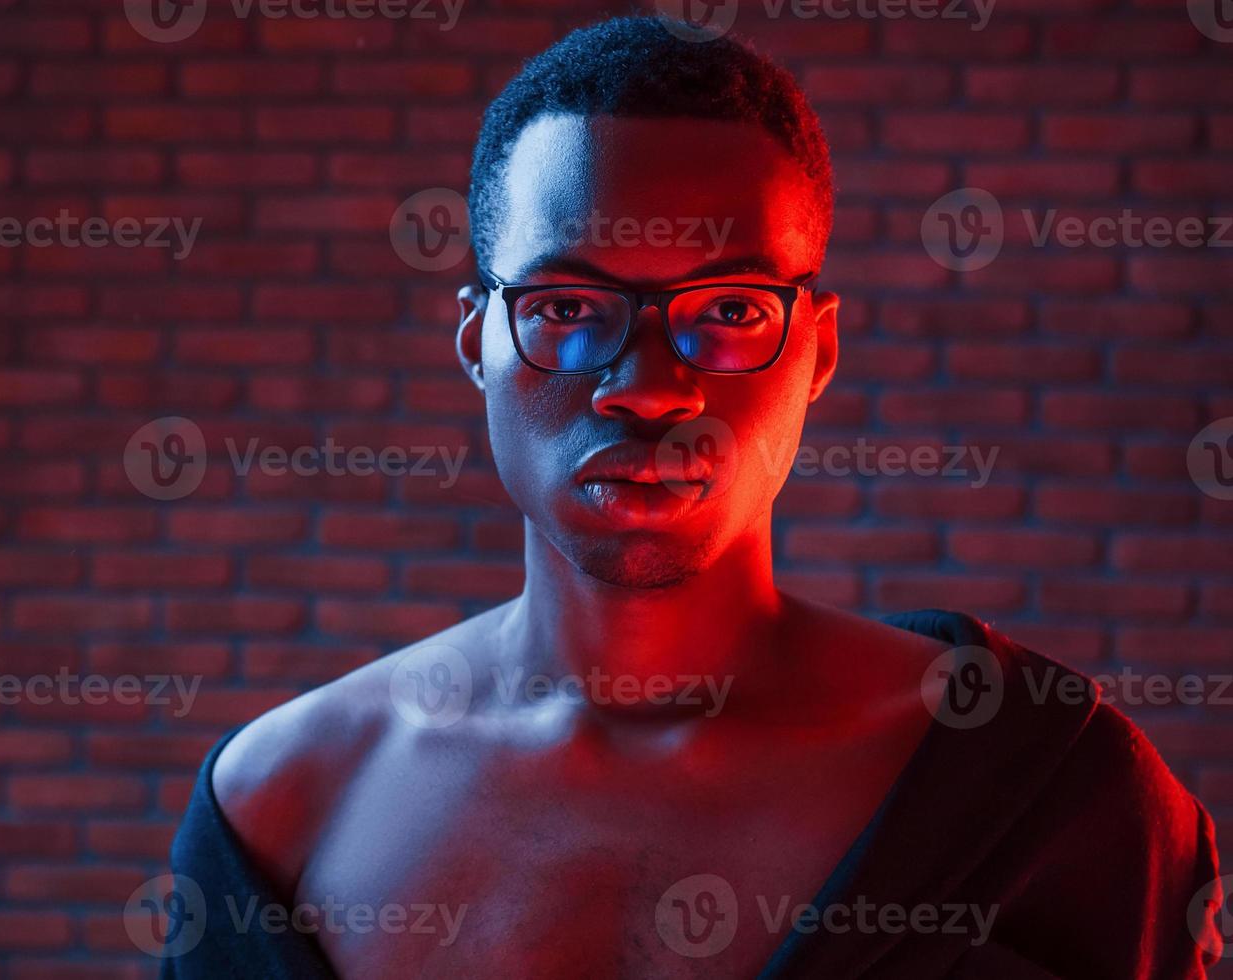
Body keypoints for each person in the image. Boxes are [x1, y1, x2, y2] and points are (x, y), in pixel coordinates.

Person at [161, 16, 1224, 978]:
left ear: (816, 351)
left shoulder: (1043, 788)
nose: (648, 385)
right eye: (568, 305)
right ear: (476, 341)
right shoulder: (279, 808)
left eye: (727, 308)